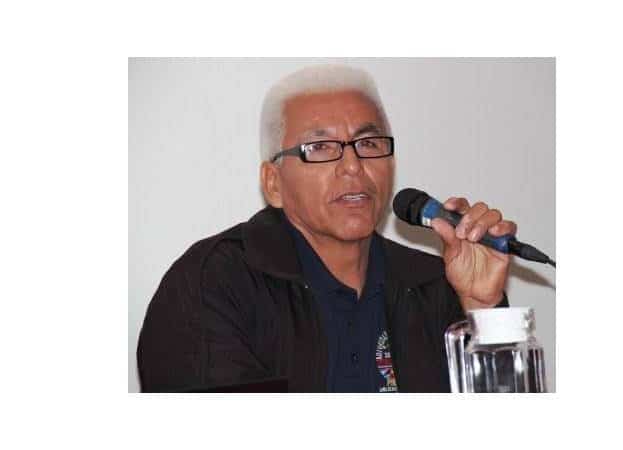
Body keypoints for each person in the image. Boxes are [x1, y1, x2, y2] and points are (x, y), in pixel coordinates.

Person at [137, 64, 517, 393]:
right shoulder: (214, 284)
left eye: (369, 143)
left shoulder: (435, 286)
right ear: (273, 183)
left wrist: (483, 310)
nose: (353, 165)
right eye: (320, 147)